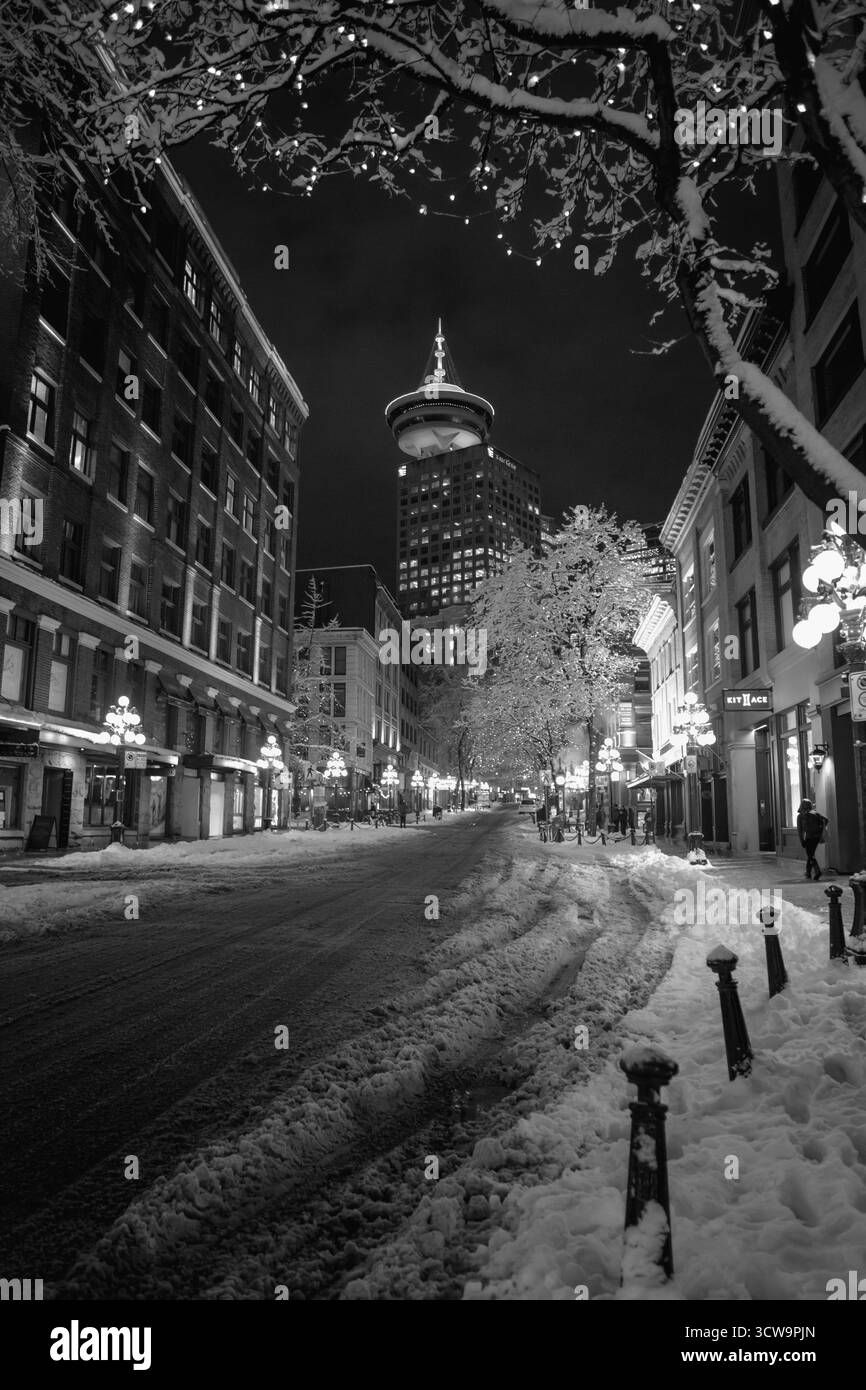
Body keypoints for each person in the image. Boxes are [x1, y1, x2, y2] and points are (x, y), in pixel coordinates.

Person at [796, 799, 827, 880]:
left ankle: (817, 871)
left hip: (809, 837)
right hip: (817, 837)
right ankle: (808, 872)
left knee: (810, 855)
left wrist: (801, 840)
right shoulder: (815, 813)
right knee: (810, 854)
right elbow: (826, 820)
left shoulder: (800, 816)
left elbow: (800, 831)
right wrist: (821, 829)